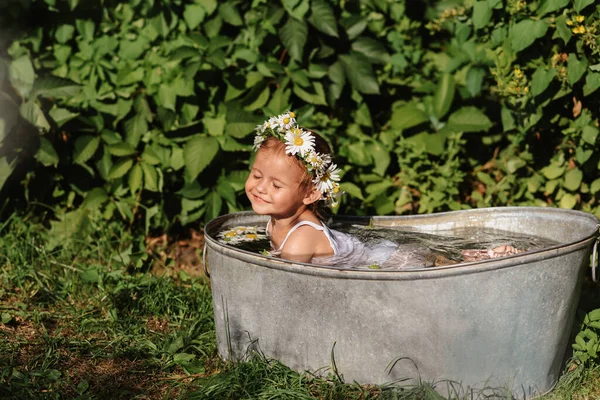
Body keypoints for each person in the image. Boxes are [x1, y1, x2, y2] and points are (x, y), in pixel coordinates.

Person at [245, 111, 520, 268]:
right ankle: (480, 256)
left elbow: (285, 286)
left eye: (276, 184)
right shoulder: (277, 222)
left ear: (311, 194)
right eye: (257, 175)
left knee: (450, 269)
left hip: (391, 259)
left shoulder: (300, 238)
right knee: (444, 262)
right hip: (373, 251)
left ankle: (490, 259)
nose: (260, 187)